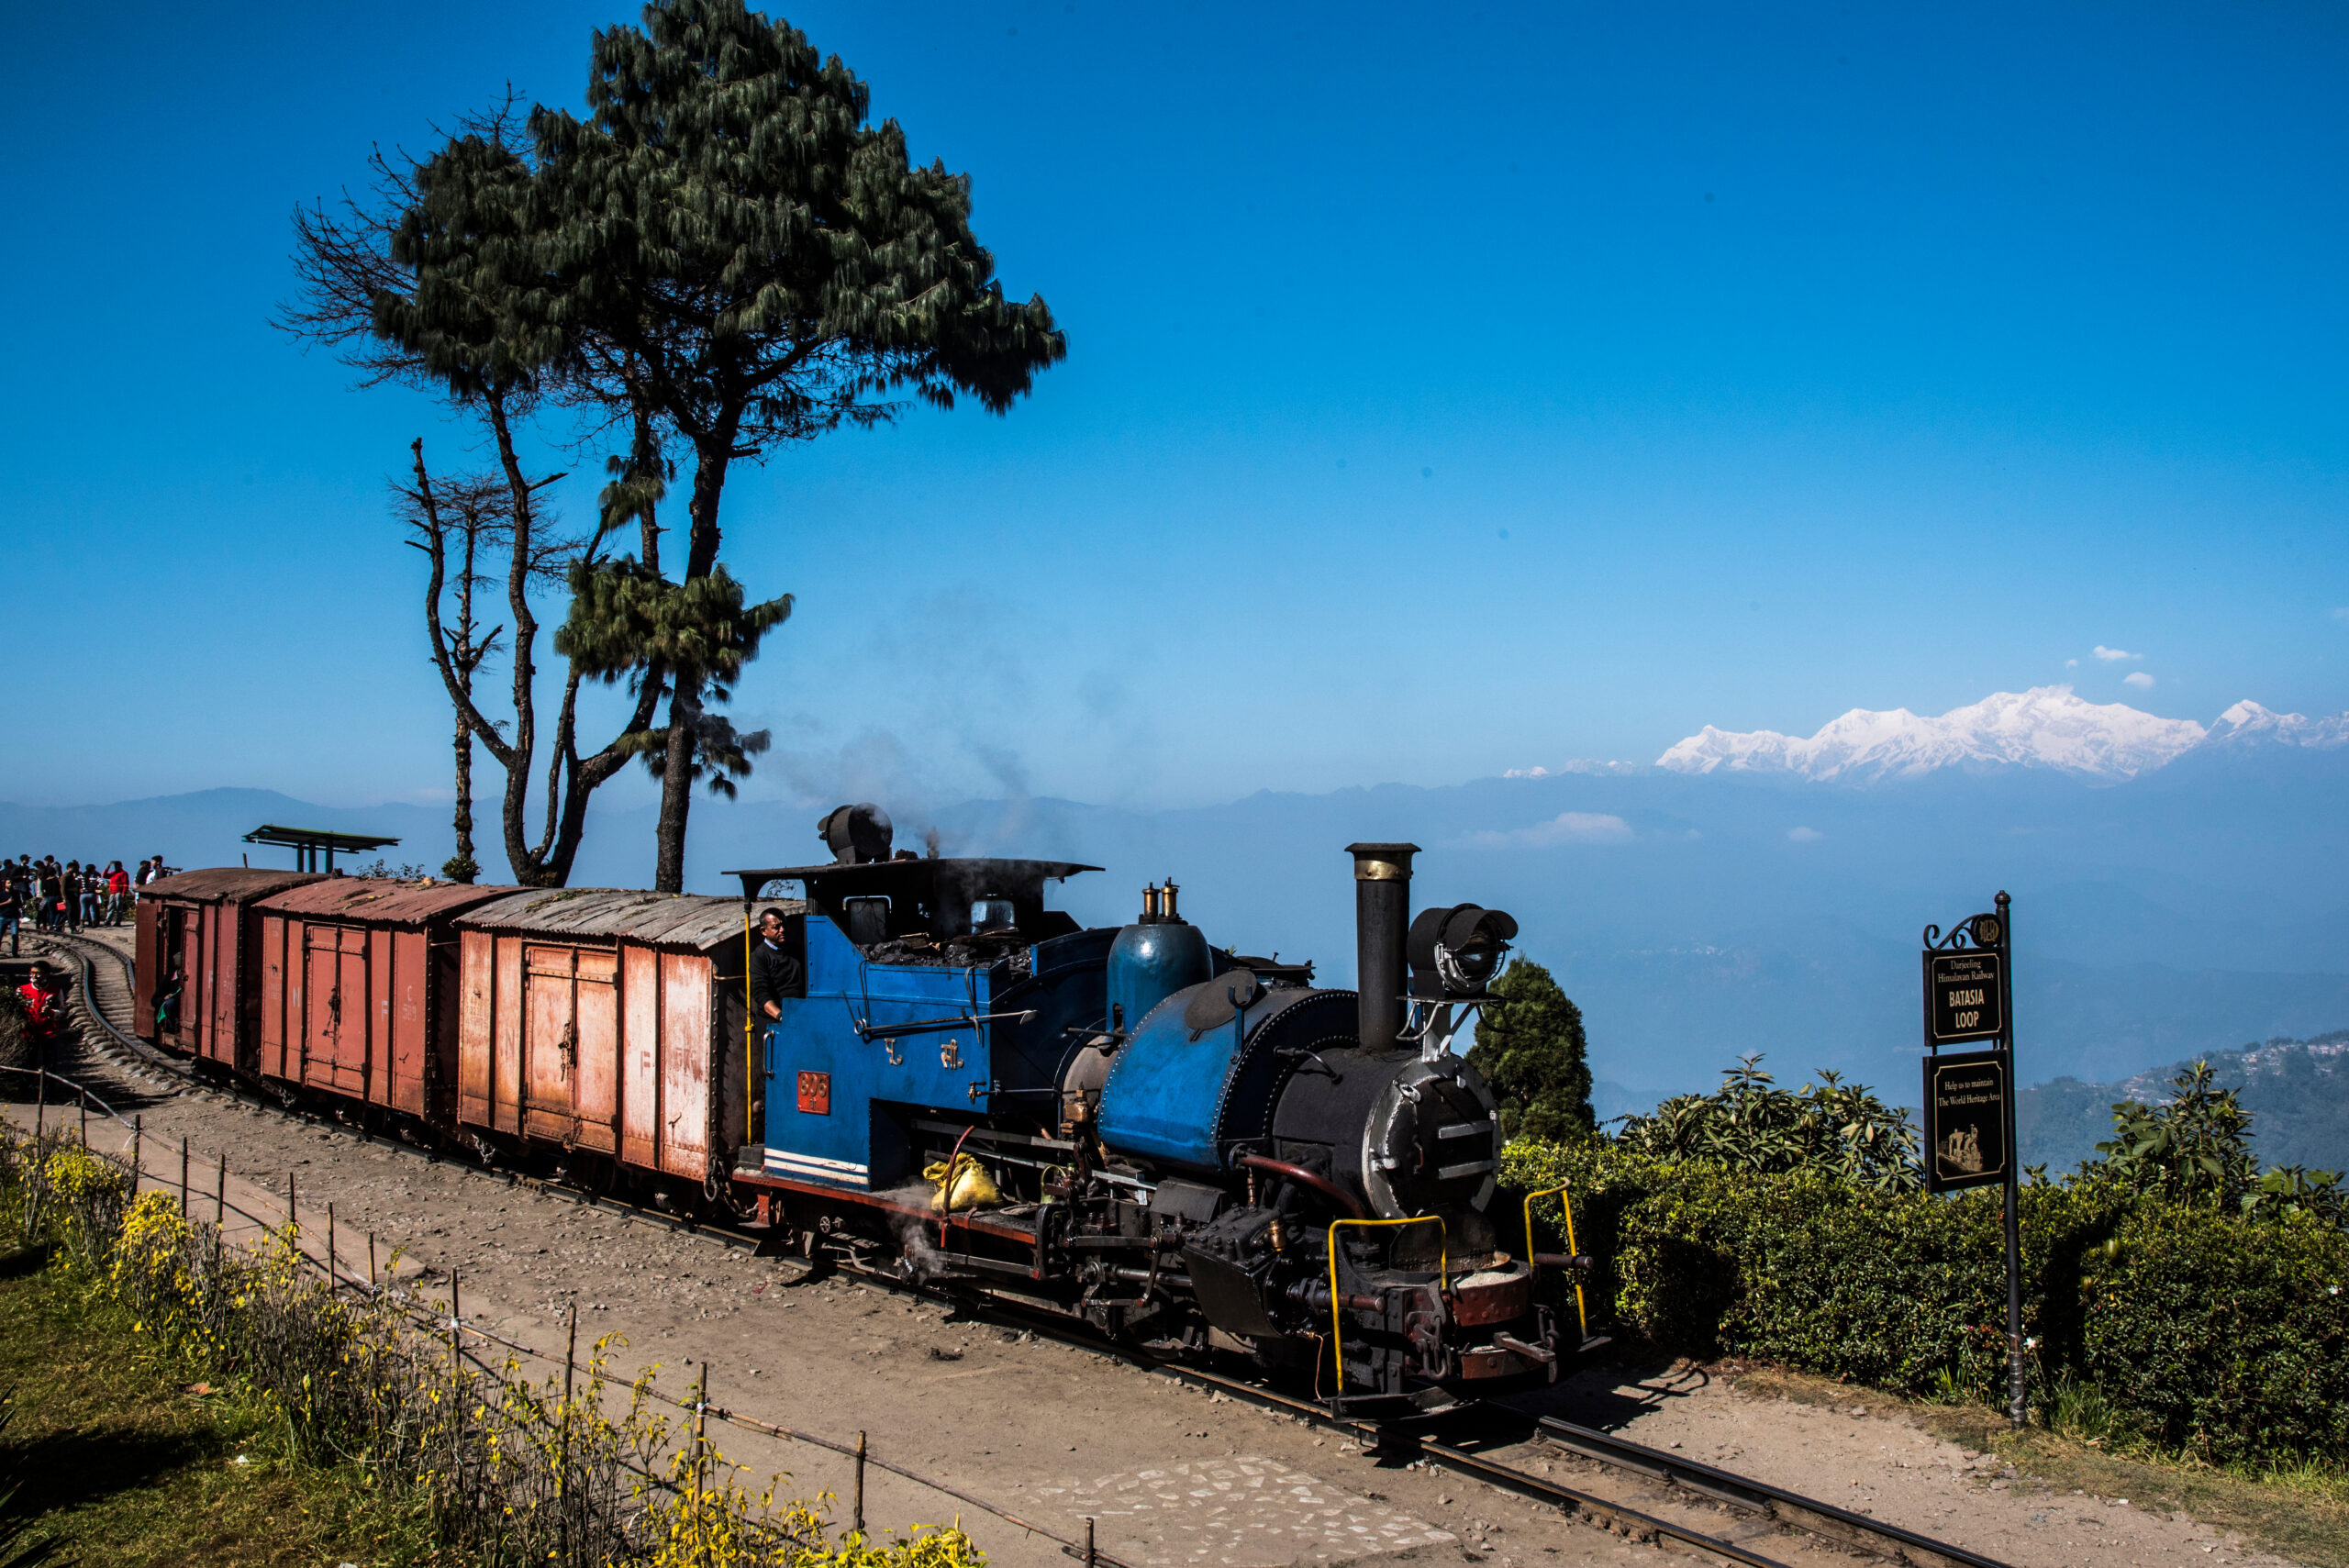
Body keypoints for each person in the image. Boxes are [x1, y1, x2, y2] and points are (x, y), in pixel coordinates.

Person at [16, 962, 63, 1063]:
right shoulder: (22, 990)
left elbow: (62, 1011)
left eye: (38, 973)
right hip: (29, 1033)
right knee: (28, 1062)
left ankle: (49, 1079)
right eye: (32, 973)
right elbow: (16, 1011)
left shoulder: (55, 991)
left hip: (49, 1032)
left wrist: (51, 1013)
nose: (34, 976)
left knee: (50, 1063)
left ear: (46, 974)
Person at [105, 861, 129, 925]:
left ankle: (118, 921)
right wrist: (108, 867)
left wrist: (124, 892)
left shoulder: (123, 873)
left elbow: (125, 883)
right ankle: (108, 920)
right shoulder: (113, 873)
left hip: (119, 892)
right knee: (111, 907)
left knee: (119, 907)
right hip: (112, 892)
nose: (116, 867)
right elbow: (105, 875)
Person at [0, 873, 18, 957]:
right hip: (3, 916)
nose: (10, 884)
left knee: (15, 935)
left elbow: (20, 903)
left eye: (11, 883)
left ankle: (14, 953)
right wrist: (7, 902)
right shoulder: (1, 894)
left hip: (14, 917)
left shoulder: (16, 894)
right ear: (5, 884)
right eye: (8, 883)